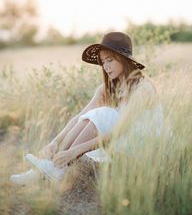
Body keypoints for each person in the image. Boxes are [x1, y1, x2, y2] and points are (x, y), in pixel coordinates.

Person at [10, 31, 164, 185]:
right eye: (103, 62)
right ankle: (45, 169)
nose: (106, 66)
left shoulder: (143, 88)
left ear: (124, 59)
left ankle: (55, 168)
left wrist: (76, 151)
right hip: (121, 142)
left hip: (143, 147)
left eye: (110, 60)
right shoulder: (107, 88)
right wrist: (55, 142)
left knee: (102, 114)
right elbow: (80, 117)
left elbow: (120, 131)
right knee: (92, 115)